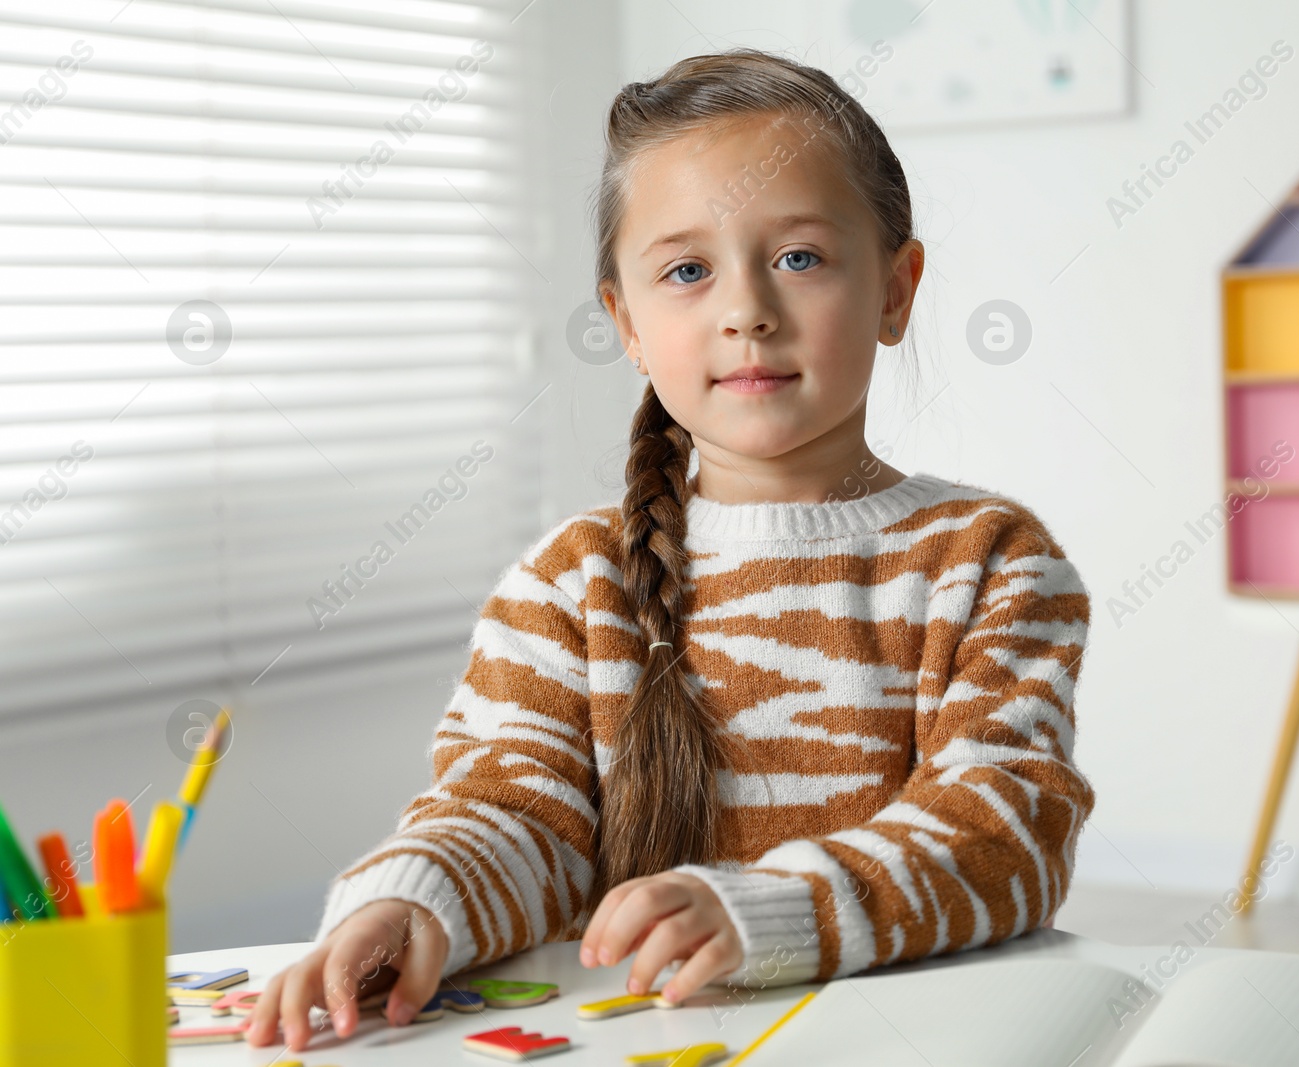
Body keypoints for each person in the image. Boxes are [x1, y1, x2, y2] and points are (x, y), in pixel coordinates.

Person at [249, 47, 1095, 1052]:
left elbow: (1003, 831)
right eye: (686, 271)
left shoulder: (987, 561)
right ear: (627, 323)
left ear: (895, 291)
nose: (746, 310)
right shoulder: (571, 582)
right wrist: (414, 899)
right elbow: (512, 808)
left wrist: (770, 911)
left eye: (800, 257)